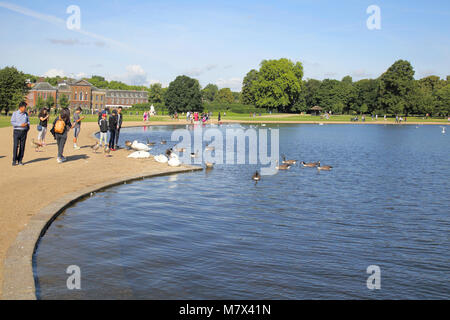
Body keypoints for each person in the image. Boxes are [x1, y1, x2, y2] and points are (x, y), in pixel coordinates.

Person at [11, 101, 30, 166]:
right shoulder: (15, 113)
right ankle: (14, 160)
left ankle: (20, 160)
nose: (25, 109)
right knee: (16, 146)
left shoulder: (26, 114)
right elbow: (12, 122)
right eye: (25, 107)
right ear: (21, 107)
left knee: (22, 146)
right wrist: (20, 125)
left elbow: (28, 122)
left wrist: (27, 126)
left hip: (24, 132)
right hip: (16, 131)